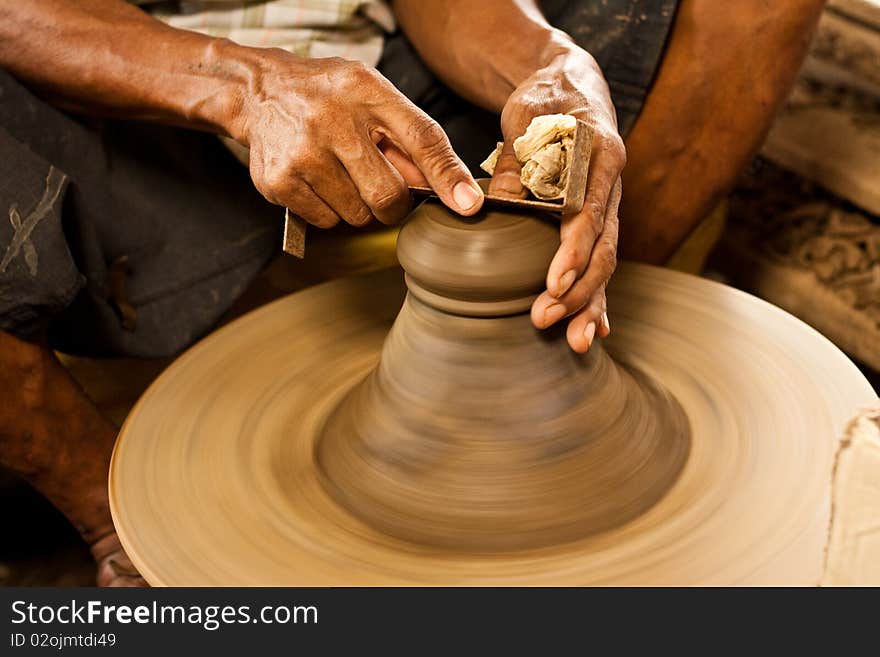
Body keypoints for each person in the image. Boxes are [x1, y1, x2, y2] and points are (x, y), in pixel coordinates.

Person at [0, 0, 825, 586]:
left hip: (375, 66)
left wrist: (553, 66)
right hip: (124, 96)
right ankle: (118, 523)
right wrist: (249, 87)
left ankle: (575, 302)